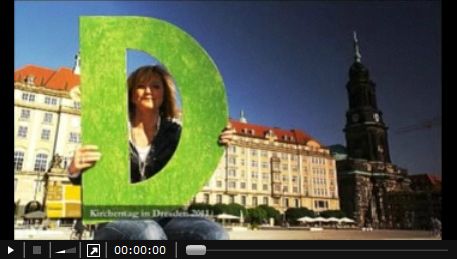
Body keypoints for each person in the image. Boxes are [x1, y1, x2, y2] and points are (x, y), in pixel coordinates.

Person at [68, 65, 234, 240]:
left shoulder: (175, 134)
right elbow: (93, 178)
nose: (148, 91)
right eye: (141, 86)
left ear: (164, 95)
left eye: (155, 86)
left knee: (215, 234)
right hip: (116, 215)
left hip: (164, 215)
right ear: (132, 95)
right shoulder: (111, 129)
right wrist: (74, 169)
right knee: (149, 234)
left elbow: (192, 169)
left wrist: (217, 141)